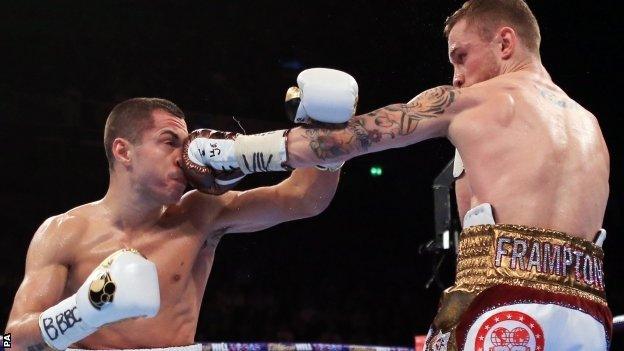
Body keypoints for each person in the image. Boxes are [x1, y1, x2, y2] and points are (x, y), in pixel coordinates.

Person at [191, 1, 613, 349]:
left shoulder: (470, 101)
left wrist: (234, 152)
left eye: (460, 56)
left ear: (505, 42)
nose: (456, 75)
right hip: (589, 320)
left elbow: (350, 140)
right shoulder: (590, 125)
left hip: (505, 310)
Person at [4, 94, 350, 350]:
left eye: (187, 146)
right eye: (170, 142)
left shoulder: (200, 213)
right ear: (124, 151)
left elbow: (305, 199)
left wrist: (326, 135)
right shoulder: (64, 233)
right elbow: (8, 340)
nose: (184, 158)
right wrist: (82, 313)